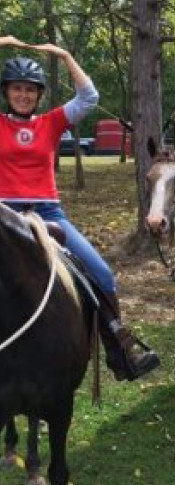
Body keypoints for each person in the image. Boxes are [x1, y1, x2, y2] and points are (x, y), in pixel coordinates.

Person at [0, 35, 160, 380]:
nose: (24, 95)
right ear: (6, 92)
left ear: (39, 95)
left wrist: (64, 53)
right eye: (17, 89)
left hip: (48, 214)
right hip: (5, 214)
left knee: (101, 273)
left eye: (30, 90)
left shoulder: (52, 122)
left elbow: (89, 97)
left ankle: (120, 352)